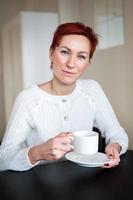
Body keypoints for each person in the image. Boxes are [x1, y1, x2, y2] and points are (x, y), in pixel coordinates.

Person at [0, 22, 128, 171]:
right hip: (40, 187)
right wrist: (36, 152)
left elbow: (117, 133)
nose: (71, 64)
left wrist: (114, 146)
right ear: (51, 53)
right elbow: (3, 158)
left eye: (81, 56)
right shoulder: (28, 99)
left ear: (88, 62)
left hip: (85, 180)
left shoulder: (92, 89)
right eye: (65, 52)